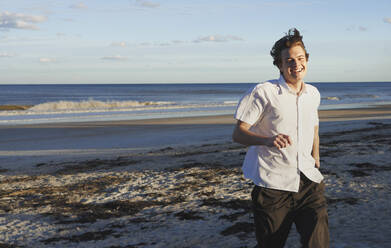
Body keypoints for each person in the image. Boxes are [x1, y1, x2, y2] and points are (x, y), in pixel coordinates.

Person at [232, 28, 329, 248]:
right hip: (272, 186)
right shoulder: (263, 92)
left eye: (300, 59)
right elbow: (238, 134)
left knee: (318, 243)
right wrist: (266, 140)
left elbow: (313, 125)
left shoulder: (313, 93)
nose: (296, 65)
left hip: (309, 182)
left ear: (307, 60)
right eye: (289, 60)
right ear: (280, 65)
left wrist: (316, 156)